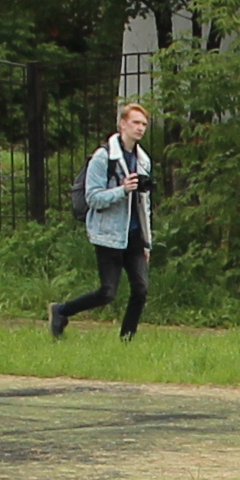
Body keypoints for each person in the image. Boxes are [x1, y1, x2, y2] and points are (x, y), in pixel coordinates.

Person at [50, 100, 153, 337]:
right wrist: (122, 190)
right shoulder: (102, 157)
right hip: (108, 233)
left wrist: (147, 240)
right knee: (108, 292)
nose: (140, 128)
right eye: (135, 122)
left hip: (134, 233)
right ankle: (62, 310)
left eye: (144, 124)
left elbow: (144, 204)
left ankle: (127, 339)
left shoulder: (143, 160)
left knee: (141, 289)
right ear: (122, 124)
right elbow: (93, 198)